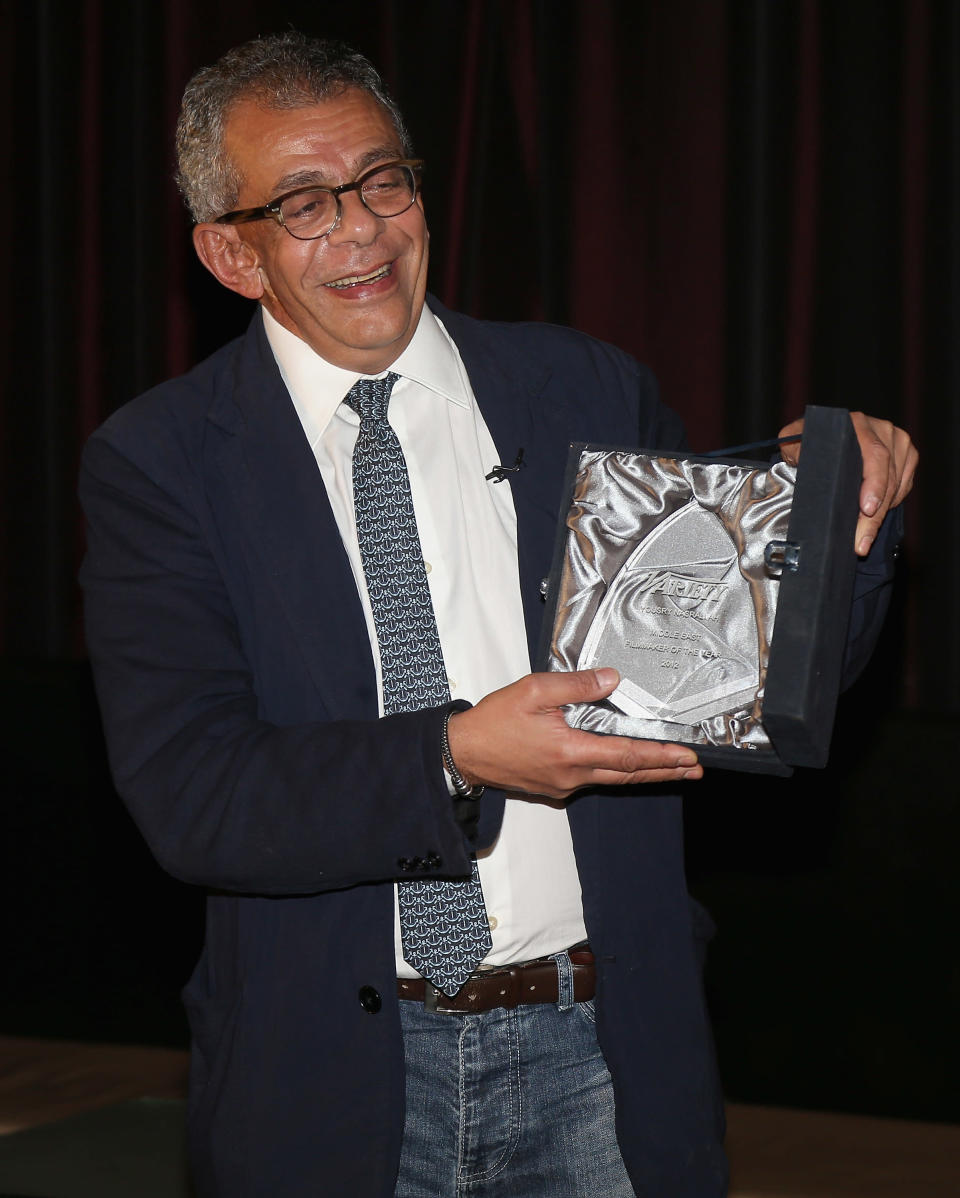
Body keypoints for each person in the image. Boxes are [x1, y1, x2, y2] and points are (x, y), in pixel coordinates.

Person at [79, 31, 917, 1198]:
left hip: (604, 1054)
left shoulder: (581, 384)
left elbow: (744, 692)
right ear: (232, 254)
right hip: (338, 1078)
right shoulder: (162, 463)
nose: (364, 229)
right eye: (306, 204)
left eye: (383, 181)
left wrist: (839, 526)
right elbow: (196, 796)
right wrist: (456, 754)